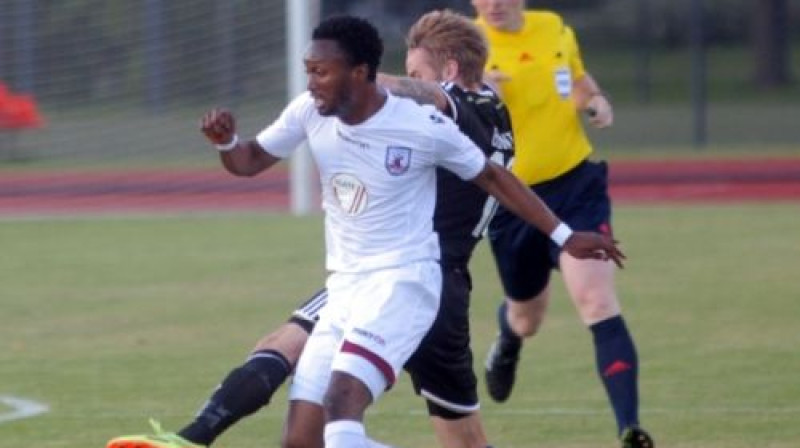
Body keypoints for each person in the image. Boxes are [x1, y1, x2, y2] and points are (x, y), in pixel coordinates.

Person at [106, 13, 622, 448]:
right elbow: (250, 159)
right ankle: (192, 437)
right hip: (352, 280)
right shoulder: (315, 109)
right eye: (308, 71)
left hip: (416, 280)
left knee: (337, 403)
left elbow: (479, 158)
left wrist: (563, 235)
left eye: (322, 71)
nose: (311, 82)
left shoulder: (449, 112)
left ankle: (192, 438)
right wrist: (228, 142)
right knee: (305, 434)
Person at [469, 2, 655, 448]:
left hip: (576, 188)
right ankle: (509, 338)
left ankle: (629, 428)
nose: (492, 4)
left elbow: (575, 80)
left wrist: (595, 99)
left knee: (596, 299)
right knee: (527, 317)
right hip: (512, 199)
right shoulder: (466, 44)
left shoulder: (552, 27)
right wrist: (475, 91)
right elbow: (436, 104)